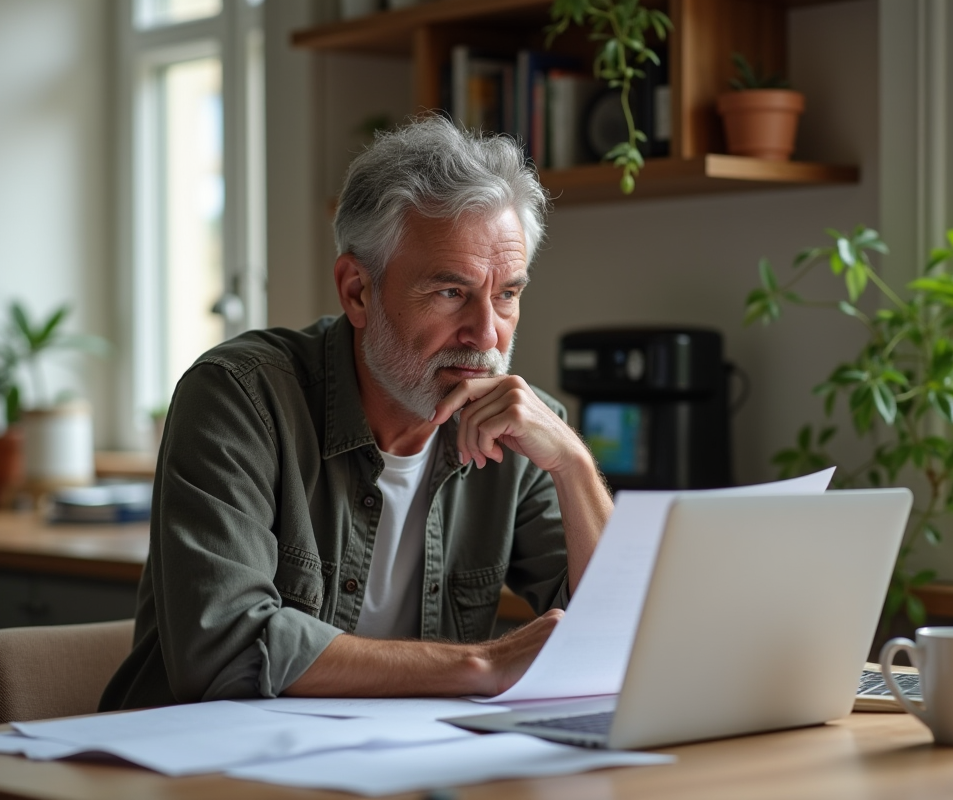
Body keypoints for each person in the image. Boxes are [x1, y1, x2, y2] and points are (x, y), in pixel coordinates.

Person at [100, 116, 614, 710]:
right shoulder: (240, 398)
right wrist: (483, 663)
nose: (486, 332)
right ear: (357, 292)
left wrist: (574, 465)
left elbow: (615, 634)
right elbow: (224, 648)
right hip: (199, 771)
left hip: (400, 764)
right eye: (451, 292)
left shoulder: (522, 429)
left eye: (506, 294)